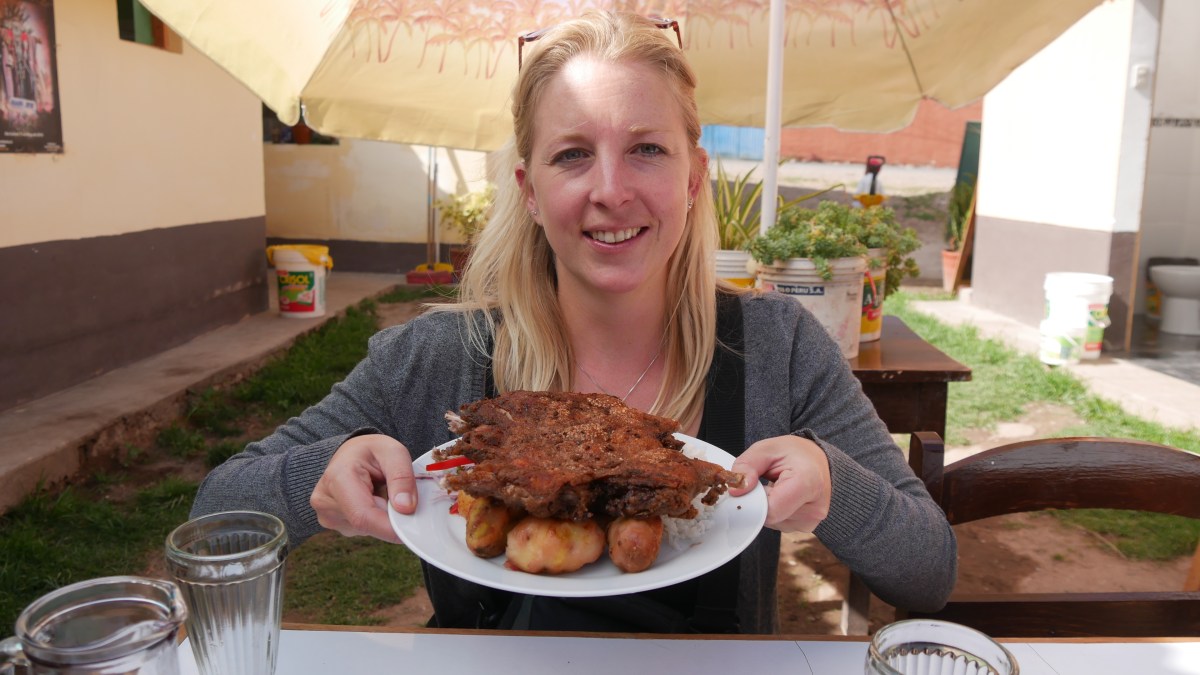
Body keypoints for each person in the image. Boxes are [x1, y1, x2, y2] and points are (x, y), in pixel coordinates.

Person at [191, 11, 955, 634]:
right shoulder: (435, 356)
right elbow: (214, 518)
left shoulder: (779, 349)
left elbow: (930, 570)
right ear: (528, 189)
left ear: (693, 178)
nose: (611, 190)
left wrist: (835, 488)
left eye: (647, 149)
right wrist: (318, 474)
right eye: (573, 155)